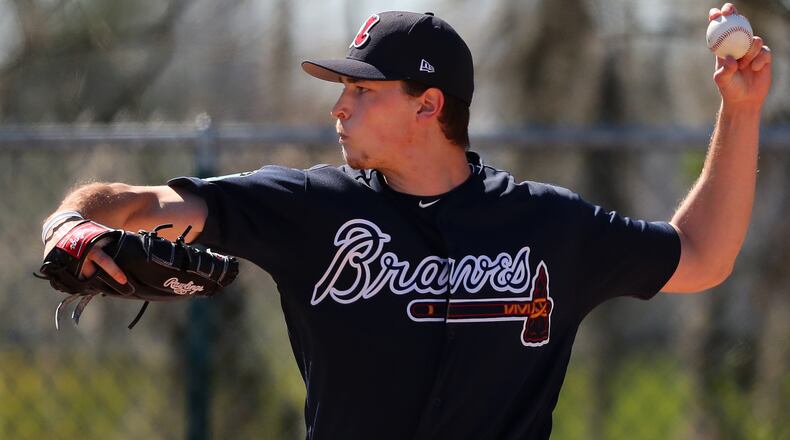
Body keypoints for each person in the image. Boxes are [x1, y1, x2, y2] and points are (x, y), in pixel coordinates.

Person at [41, 4, 771, 439]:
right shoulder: (307, 208)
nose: (339, 106)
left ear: (429, 106)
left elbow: (703, 254)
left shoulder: (549, 227)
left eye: (362, 90)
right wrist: (71, 223)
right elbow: (139, 205)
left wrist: (740, 113)